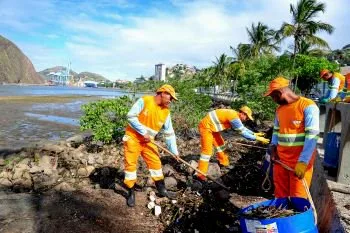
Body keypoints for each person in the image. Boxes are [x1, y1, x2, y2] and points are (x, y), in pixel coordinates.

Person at [123, 84, 179, 207]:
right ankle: (130, 192)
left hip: (149, 141)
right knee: (131, 166)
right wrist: (143, 132)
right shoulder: (145, 100)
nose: (171, 101)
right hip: (133, 138)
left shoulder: (166, 112)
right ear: (163, 93)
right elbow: (131, 116)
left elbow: (169, 133)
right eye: (170, 98)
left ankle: (162, 189)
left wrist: (174, 151)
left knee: (156, 164)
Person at [264, 77, 319, 198]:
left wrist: (303, 161)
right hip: (280, 161)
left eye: (273, 96)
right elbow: (276, 132)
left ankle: (296, 218)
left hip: (298, 163)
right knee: (280, 195)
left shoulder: (307, 106)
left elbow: (312, 135)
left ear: (279, 92)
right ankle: (281, 217)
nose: (273, 100)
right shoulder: (279, 110)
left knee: (298, 197)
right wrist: (273, 148)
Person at [196, 106, 270, 180]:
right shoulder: (233, 117)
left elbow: (242, 128)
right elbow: (243, 133)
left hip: (211, 127)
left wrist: (254, 134)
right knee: (207, 151)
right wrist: (257, 138)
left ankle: (224, 162)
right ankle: (201, 173)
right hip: (206, 127)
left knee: (220, 144)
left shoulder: (234, 115)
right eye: (247, 118)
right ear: (243, 114)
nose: (246, 120)